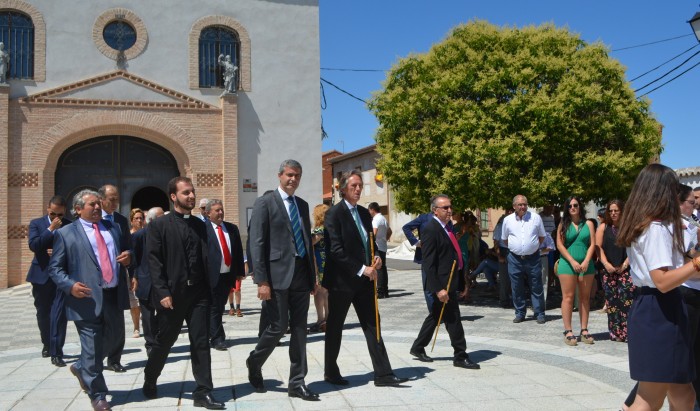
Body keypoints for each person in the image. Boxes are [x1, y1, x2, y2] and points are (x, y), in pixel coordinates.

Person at [616, 164, 700, 411]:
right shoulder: (654, 228)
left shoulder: (654, 226)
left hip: (659, 309)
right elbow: (662, 281)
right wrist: (696, 263)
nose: (677, 197)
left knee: (684, 394)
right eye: (674, 191)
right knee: (649, 398)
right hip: (659, 311)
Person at [142, 177, 225, 410]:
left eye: (192, 192)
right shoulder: (159, 226)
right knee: (164, 341)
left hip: (199, 293)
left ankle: (203, 391)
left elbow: (207, 256)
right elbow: (154, 262)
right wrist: (162, 292)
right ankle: (150, 377)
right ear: (173, 197)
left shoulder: (200, 224)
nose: (191, 196)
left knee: (200, 342)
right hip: (172, 295)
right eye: (186, 192)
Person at [323, 170, 409, 387]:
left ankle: (384, 374)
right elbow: (335, 250)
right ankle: (331, 372)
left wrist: (377, 257)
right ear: (343, 189)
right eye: (354, 186)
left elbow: (369, 242)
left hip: (364, 283)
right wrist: (362, 268)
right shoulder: (334, 214)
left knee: (374, 325)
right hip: (342, 283)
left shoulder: (363, 213)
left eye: (360, 185)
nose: (358, 189)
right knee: (335, 327)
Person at [49, 189, 132, 411]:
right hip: (84, 297)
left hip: (113, 294)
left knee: (115, 338)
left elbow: (126, 250)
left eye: (98, 204)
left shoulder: (112, 227)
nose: (97, 207)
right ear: (78, 210)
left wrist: (128, 257)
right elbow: (55, 268)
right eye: (92, 205)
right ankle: (98, 394)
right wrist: (70, 285)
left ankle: (81, 365)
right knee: (93, 346)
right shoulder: (66, 234)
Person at [246, 160, 319, 401]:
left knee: (300, 330)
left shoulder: (302, 204)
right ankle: (254, 361)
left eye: (297, 175)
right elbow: (257, 244)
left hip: (301, 274)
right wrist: (261, 281)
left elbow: (306, 242)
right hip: (276, 277)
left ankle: (297, 382)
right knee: (277, 328)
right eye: (289, 175)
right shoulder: (265, 203)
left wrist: (313, 277)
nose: (293, 179)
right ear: (279, 175)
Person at [409, 194, 480, 369]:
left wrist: (462, 283)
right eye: (445, 208)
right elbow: (428, 263)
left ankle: (418, 347)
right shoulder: (431, 229)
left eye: (450, 207)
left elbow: (454, 255)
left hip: (451, 280)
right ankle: (460, 355)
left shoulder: (447, 227)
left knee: (436, 315)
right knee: (453, 318)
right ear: (435, 210)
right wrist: (439, 289)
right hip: (442, 283)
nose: (450, 211)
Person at [27, 195, 71, 367]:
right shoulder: (36, 224)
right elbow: (34, 245)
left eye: (59, 215)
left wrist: (61, 253)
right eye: (53, 214)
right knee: (43, 312)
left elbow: (74, 248)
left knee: (59, 314)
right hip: (41, 275)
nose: (57, 218)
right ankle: (47, 343)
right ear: (48, 209)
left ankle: (56, 350)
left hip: (61, 276)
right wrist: (50, 229)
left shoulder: (70, 225)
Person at [97, 184, 131, 373]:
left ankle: (114, 359)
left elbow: (128, 246)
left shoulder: (120, 221)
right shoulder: (93, 220)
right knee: (98, 324)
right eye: (111, 199)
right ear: (101, 200)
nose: (115, 202)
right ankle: (94, 358)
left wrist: (129, 255)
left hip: (115, 280)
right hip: (95, 282)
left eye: (117, 198)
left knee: (117, 323)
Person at [556, 196, 597, 346]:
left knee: (585, 298)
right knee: (568, 297)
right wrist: (572, 261)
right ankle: (568, 331)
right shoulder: (563, 224)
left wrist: (586, 261)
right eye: (570, 206)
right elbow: (559, 245)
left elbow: (593, 244)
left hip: (587, 264)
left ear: (580, 207)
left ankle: (584, 330)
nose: (573, 208)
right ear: (567, 208)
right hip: (567, 263)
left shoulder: (589, 224)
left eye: (575, 205)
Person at [205, 199, 245, 351]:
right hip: (210, 276)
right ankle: (217, 339)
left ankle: (213, 334)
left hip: (227, 275)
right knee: (214, 307)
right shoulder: (203, 229)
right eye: (217, 210)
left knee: (219, 306)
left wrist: (240, 272)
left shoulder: (232, 228)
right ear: (208, 213)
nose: (220, 212)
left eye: (221, 209)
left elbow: (238, 252)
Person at [501, 195, 546, 324]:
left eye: (525, 204)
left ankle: (539, 313)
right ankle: (520, 313)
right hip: (514, 259)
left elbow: (542, 237)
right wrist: (517, 247)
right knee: (516, 287)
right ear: (514, 206)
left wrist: (532, 246)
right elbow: (505, 239)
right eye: (520, 204)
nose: (523, 207)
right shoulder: (508, 220)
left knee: (536, 285)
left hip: (533, 258)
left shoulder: (535, 218)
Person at [595, 200, 634, 342]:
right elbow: (597, 247)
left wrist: (625, 264)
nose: (613, 213)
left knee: (626, 301)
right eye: (611, 211)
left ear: (622, 211)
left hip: (625, 269)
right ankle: (615, 332)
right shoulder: (604, 227)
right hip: (608, 270)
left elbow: (634, 247)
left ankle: (627, 332)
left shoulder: (628, 227)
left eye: (616, 210)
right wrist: (606, 264)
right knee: (611, 302)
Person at [403, 211, 452, 310]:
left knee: (442, 285)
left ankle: (443, 311)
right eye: (445, 208)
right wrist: (416, 242)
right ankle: (433, 313)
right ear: (435, 209)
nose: (448, 210)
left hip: (442, 258)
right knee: (429, 288)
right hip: (426, 257)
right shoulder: (424, 218)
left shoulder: (447, 221)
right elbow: (406, 227)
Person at [679, 184, 700, 407]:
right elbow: (685, 258)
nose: (694, 206)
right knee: (688, 352)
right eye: (691, 202)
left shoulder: (692, 222)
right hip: (688, 290)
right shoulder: (679, 226)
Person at [132, 207, 164, 356]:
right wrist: (135, 277)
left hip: (163, 282)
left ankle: (160, 339)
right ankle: (150, 344)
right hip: (145, 281)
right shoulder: (139, 236)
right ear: (152, 220)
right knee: (147, 315)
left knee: (164, 314)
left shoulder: (167, 235)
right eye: (161, 217)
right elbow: (134, 259)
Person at [310, 203, 330, 333]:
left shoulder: (319, 230)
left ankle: (321, 319)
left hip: (320, 262)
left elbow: (310, 243)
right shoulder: (330, 228)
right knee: (327, 292)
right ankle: (328, 318)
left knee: (319, 292)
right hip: (329, 261)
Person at [128, 208, 145, 338]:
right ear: (131, 221)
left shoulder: (148, 234)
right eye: (136, 218)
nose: (139, 221)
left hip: (145, 271)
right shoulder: (128, 236)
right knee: (134, 303)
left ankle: (147, 322)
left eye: (141, 218)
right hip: (131, 272)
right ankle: (136, 327)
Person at [368, 202, 391, 298]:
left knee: (379, 269)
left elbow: (373, 233)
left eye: (369, 210)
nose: (369, 212)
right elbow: (390, 231)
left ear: (372, 209)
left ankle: (380, 291)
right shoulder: (383, 219)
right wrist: (385, 239)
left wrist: (371, 242)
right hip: (383, 245)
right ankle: (385, 290)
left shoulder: (376, 219)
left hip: (377, 246)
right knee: (383, 268)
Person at [493, 210, 513, 308]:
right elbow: (496, 242)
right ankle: (504, 300)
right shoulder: (500, 226)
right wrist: (499, 256)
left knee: (515, 278)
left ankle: (514, 299)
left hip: (514, 250)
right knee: (504, 279)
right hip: (504, 251)